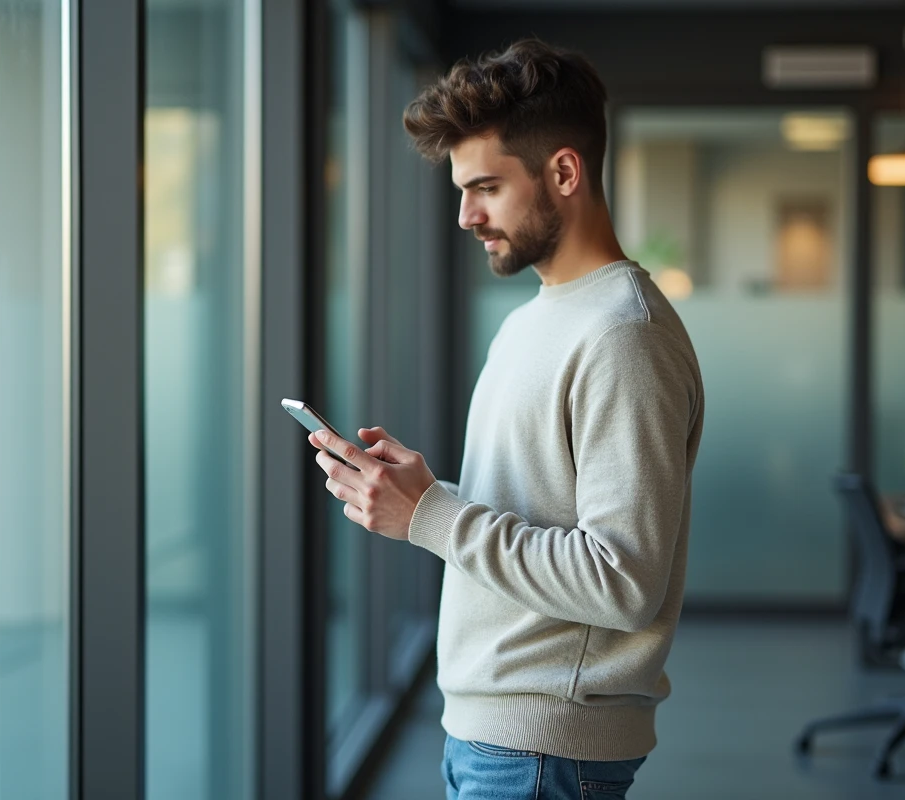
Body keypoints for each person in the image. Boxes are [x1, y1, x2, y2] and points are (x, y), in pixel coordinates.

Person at [308, 38, 705, 800]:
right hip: (490, 732)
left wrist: (432, 516)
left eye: (485, 186)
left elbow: (622, 580)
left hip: (545, 748)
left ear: (563, 172)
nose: (465, 216)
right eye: (461, 189)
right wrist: (420, 494)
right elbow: (539, 509)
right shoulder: (536, 318)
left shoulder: (625, 336)